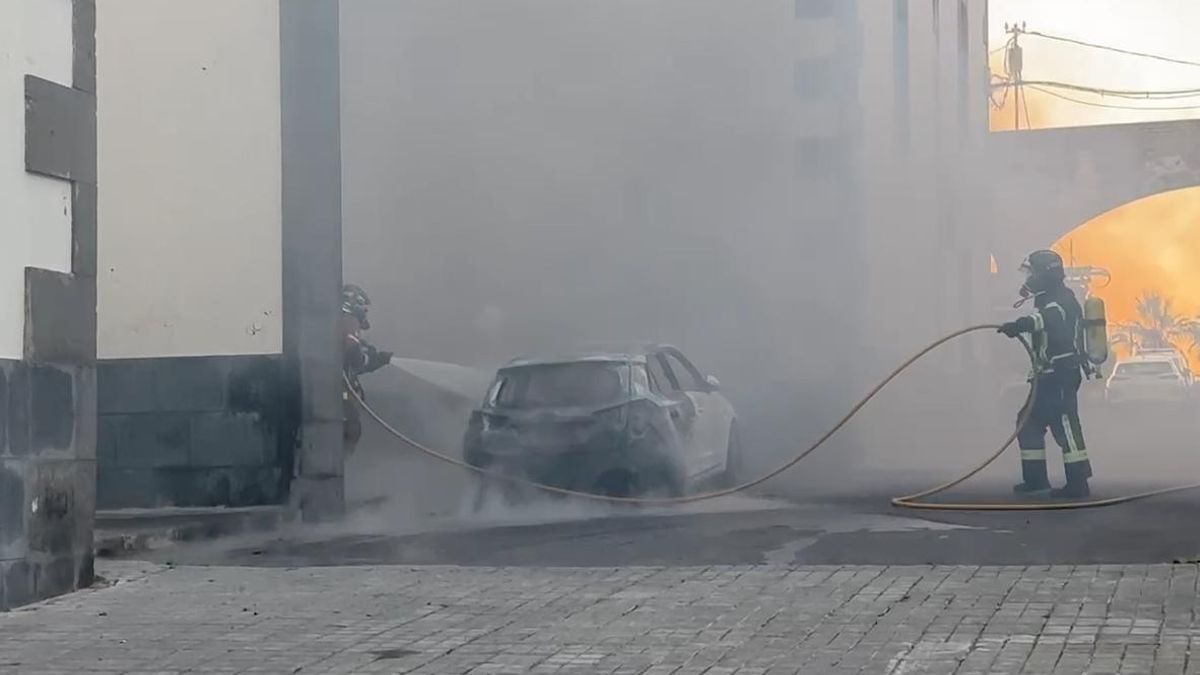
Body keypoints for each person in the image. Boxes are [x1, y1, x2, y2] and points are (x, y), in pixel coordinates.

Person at [997, 250, 1093, 499]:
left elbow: (1050, 318)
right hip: (1046, 375)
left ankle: (1078, 483)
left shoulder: (1061, 299)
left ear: (1044, 274)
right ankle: (1035, 479)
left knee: (1065, 425)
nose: (1028, 278)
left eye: (1032, 272)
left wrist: (1021, 325)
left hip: (1062, 373)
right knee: (1028, 421)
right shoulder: (1047, 298)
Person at [341, 284, 393, 456]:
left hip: (339, 397)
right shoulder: (349, 321)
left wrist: (375, 357)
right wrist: (375, 359)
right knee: (350, 431)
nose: (364, 311)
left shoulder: (338, 322)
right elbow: (353, 357)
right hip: (340, 400)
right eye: (363, 306)